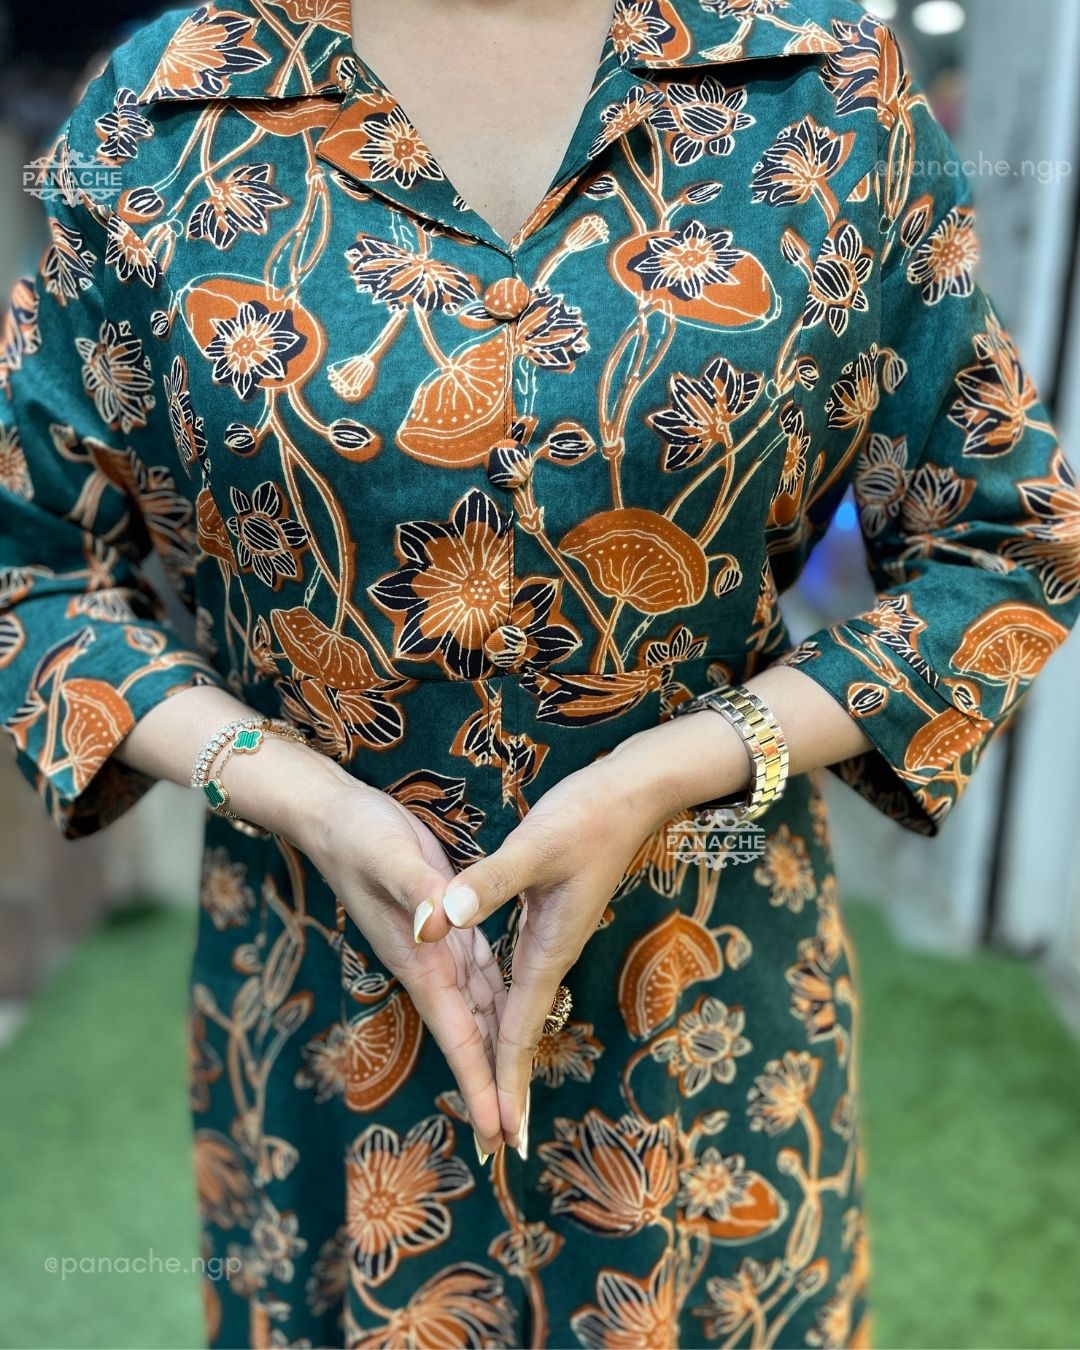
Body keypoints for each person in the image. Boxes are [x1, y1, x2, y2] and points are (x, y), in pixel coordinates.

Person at [1, 0, 1077, 1343]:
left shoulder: (826, 93)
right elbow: (29, 566)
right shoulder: (164, 112)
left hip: (705, 1028)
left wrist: (678, 765)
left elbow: (1003, 539)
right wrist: (298, 795)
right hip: (325, 1030)